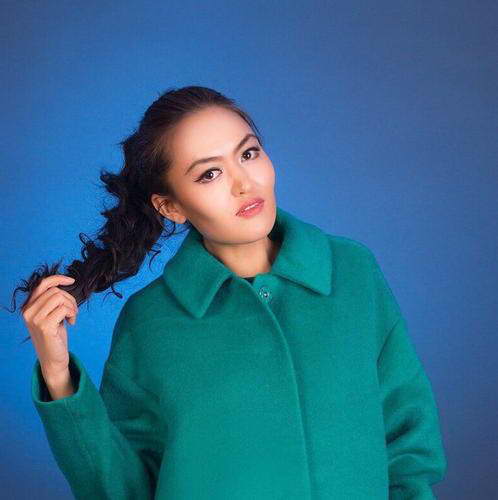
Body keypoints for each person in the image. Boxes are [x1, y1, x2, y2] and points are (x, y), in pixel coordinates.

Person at [15, 85, 447, 499]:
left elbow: (408, 444)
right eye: (210, 174)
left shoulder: (351, 272)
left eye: (249, 153)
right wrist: (57, 372)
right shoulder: (150, 322)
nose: (244, 183)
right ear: (171, 206)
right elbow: (121, 489)